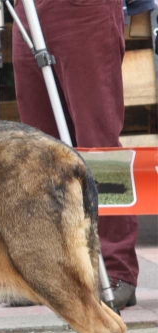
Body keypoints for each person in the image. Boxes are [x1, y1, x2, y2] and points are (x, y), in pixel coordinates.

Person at [12, 0, 155, 309]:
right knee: (38, 150)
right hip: (27, 9)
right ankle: (46, 272)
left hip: (83, 8)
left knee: (98, 143)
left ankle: (116, 270)